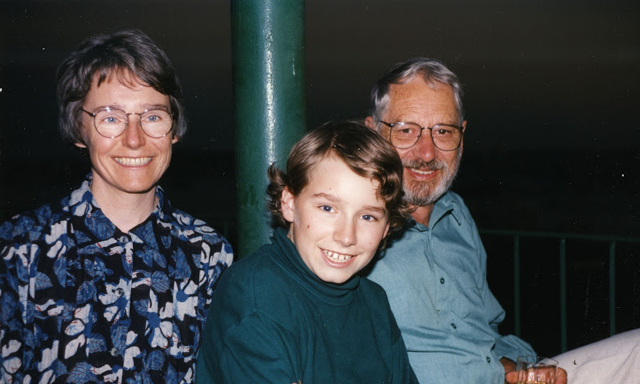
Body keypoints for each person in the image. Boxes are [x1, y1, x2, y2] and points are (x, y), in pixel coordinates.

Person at [0, 29, 233, 383]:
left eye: (152, 116)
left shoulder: (209, 255)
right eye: (111, 117)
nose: (135, 139)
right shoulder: (19, 247)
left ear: (175, 128)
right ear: (80, 128)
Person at [363, 57, 568, 384]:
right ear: (373, 133)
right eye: (406, 131)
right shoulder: (353, 228)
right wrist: (505, 371)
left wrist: (527, 366)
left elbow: (485, 330)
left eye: (443, 131)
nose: (427, 153)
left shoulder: (457, 215)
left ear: (463, 135)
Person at [196, 121, 417, 383]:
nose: (346, 236)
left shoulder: (374, 302)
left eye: (367, 216)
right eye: (327, 208)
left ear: (386, 228)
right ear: (289, 204)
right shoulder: (255, 293)